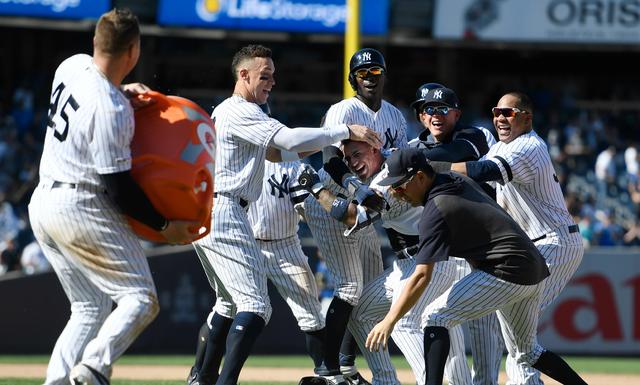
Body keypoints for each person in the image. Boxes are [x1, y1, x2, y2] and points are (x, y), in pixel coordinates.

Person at [191, 44, 382, 385]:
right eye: (264, 76)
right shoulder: (240, 112)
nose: (271, 82)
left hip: (258, 230)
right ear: (243, 75)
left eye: (273, 76)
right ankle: (215, 379)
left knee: (231, 303)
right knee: (254, 306)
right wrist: (343, 131)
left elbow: (282, 154)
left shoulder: (238, 116)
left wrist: (324, 146)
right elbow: (290, 139)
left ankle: (203, 377)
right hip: (230, 213)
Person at [28, 8, 200, 385]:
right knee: (140, 297)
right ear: (134, 50)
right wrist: (164, 226)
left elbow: (92, 95)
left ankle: (56, 382)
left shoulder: (72, 65)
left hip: (42, 202)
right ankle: (92, 370)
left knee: (89, 306)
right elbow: (118, 188)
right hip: (80, 204)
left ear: (95, 41)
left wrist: (122, 91)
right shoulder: (111, 108)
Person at [366, 147, 589, 385]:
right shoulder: (455, 179)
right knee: (529, 352)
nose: (396, 194)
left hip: (506, 270)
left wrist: (389, 320)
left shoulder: (436, 210)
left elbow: (422, 276)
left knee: (434, 317)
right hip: (533, 266)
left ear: (420, 177)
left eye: (399, 186)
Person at [433, 92, 585, 385]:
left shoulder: (528, 146)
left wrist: (426, 165)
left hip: (553, 243)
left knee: (519, 337)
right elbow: (472, 175)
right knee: (521, 339)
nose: (500, 118)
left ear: (526, 117)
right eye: (496, 112)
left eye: (508, 113)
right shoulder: (505, 146)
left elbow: (481, 170)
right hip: (536, 245)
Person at [298, 139, 470, 385]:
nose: (353, 163)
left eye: (358, 154)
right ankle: (386, 380)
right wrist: (347, 162)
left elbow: (350, 218)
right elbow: (330, 151)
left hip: (431, 261)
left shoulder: (388, 180)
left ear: (374, 149)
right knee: (361, 312)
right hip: (408, 263)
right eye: (348, 158)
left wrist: (316, 188)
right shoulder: (394, 157)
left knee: (404, 324)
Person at [303, 47, 407, 385]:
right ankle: (329, 370)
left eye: (375, 72)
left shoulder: (394, 116)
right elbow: (329, 159)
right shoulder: (342, 110)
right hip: (332, 200)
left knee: (370, 291)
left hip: (367, 206)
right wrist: (354, 185)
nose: (369, 79)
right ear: (352, 79)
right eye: (363, 73)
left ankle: (347, 362)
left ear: (384, 76)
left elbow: (399, 164)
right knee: (350, 287)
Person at [187, 159, 326, 385]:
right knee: (227, 305)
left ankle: (327, 372)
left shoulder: (292, 163)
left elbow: (309, 209)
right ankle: (202, 376)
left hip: (284, 245)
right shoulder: (237, 158)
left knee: (310, 311)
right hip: (243, 241)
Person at [409, 85, 503, 385]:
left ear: (457, 113)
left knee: (485, 329)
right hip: (450, 250)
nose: (435, 115)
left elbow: (450, 154)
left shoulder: (476, 135)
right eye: (428, 109)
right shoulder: (415, 146)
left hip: (487, 247)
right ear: (422, 116)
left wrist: (406, 158)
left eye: (442, 109)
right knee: (435, 319)